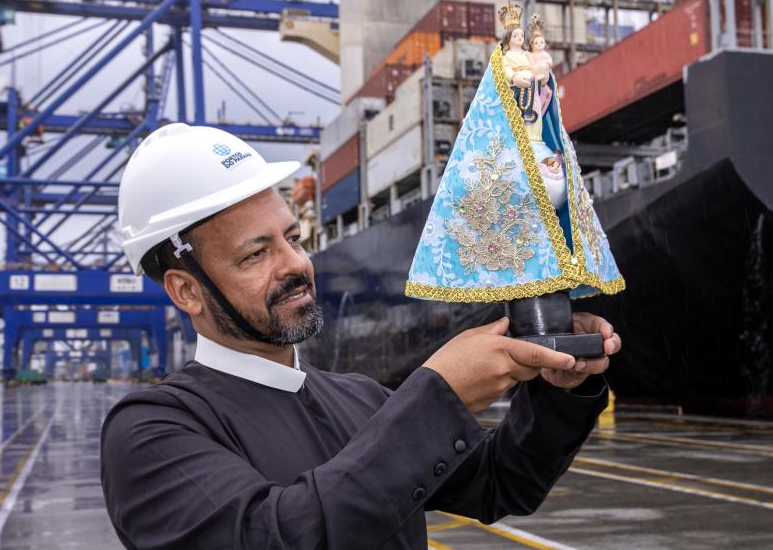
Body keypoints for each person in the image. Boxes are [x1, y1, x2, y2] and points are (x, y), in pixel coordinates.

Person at [101, 124, 621, 549]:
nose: (296, 265)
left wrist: (559, 389)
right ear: (186, 290)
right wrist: (440, 395)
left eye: (293, 238)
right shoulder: (151, 434)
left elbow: (501, 482)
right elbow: (280, 536)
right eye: (256, 254)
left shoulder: (361, 397)